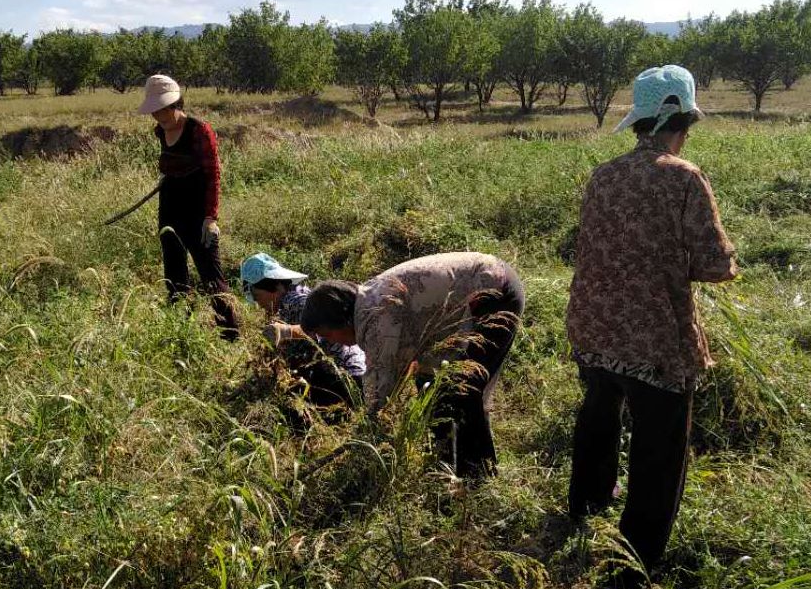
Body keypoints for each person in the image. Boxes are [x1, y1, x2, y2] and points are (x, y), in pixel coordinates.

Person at [565, 64, 738, 579]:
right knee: (659, 446)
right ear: (682, 121)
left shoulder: (605, 174)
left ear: (640, 122)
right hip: (655, 337)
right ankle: (634, 561)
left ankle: (586, 505)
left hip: (593, 324)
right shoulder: (683, 177)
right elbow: (715, 266)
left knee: (599, 411)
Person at [300, 252, 524, 479]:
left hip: (494, 290)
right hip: (474, 294)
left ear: (341, 319)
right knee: (431, 391)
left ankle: (478, 480)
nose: (330, 342)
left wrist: (365, 434)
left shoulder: (377, 318)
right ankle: (444, 470)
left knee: (464, 391)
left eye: (327, 334)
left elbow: (380, 391)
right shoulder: (366, 304)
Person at [142, 74, 240, 341]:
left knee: (211, 274)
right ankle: (180, 330)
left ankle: (231, 335)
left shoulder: (199, 130)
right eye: (154, 111)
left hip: (197, 211)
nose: (158, 116)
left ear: (175, 104)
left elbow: (213, 175)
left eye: (162, 109)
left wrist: (211, 217)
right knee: (174, 271)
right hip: (169, 206)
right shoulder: (160, 131)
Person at [240, 252, 366, 408]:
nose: (258, 303)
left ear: (276, 286)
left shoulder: (297, 303)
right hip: (351, 375)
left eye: (257, 296)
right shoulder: (294, 299)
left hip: (348, 378)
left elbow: (310, 341)